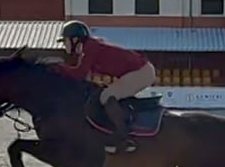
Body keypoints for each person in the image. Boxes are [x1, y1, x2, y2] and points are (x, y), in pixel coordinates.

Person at [42, 20, 156, 153]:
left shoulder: (90, 48)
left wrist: (57, 67)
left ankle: (123, 137)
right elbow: (85, 78)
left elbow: (79, 74)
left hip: (141, 72)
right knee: (102, 94)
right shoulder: (87, 49)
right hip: (139, 70)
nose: (64, 45)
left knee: (106, 97)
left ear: (75, 39)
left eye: (65, 40)